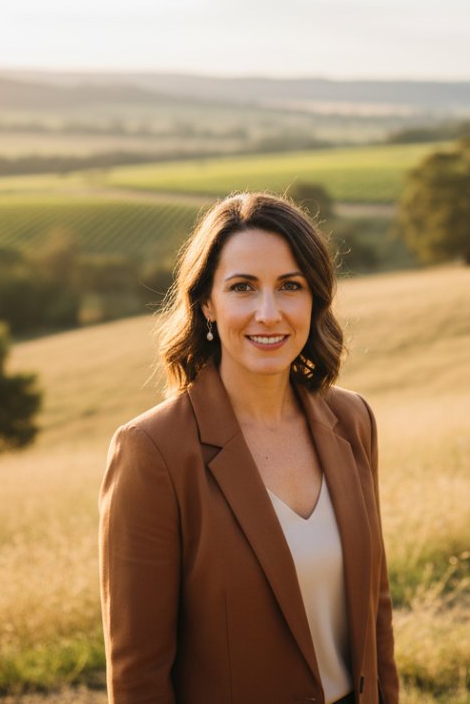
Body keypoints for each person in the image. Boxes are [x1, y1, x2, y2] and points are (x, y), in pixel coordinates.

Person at [98, 192, 399, 703]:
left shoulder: (352, 421)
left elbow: (376, 610)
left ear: (314, 298)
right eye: (243, 287)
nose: (269, 312)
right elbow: (137, 676)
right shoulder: (152, 452)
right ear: (206, 303)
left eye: (290, 286)